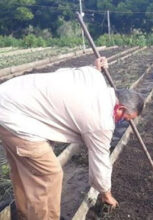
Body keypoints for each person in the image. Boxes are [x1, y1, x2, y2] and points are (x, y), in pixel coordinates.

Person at [0, 57, 144, 219]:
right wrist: (106, 194)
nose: (123, 122)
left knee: (24, 173)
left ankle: (26, 215)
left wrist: (95, 67)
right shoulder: (102, 121)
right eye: (126, 118)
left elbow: (80, 71)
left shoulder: (94, 77)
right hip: (16, 116)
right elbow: (100, 162)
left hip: (9, 95)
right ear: (121, 108)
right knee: (48, 176)